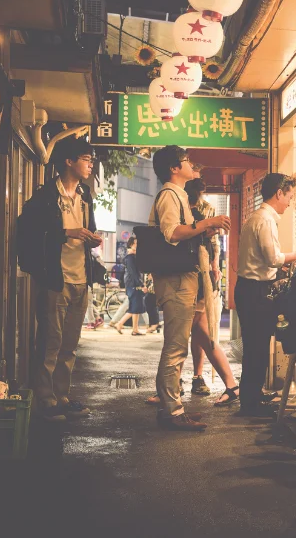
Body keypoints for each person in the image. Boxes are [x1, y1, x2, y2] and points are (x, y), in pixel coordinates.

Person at [20, 137, 102, 422]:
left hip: (82, 277)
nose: (91, 164)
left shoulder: (85, 194)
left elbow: (87, 229)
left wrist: (91, 238)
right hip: (56, 278)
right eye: (86, 159)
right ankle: (45, 400)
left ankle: (61, 397)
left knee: (70, 344)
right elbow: (29, 232)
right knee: (50, 343)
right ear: (68, 161)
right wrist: (68, 233)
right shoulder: (46, 196)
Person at [149, 146, 230, 431]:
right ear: (174, 168)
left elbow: (183, 233)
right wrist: (206, 222)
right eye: (186, 161)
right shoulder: (170, 195)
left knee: (177, 346)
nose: (191, 165)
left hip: (181, 277)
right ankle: (172, 411)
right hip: (176, 279)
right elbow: (172, 233)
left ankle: (172, 408)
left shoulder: (178, 194)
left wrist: (203, 230)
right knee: (175, 347)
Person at [235, 173, 296, 417]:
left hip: (250, 288)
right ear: (279, 193)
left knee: (257, 346)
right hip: (255, 291)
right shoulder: (265, 220)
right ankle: (250, 404)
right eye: (289, 196)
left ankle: (252, 397)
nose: (290, 202)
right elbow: (272, 258)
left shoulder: (260, 217)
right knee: (257, 347)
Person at [183, 178, 239, 405]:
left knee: (192, 332)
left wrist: (215, 265)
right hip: (191, 272)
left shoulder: (206, 209)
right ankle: (230, 384)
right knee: (200, 332)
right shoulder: (180, 203)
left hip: (199, 274)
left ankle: (177, 383)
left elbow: (213, 241)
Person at [111, 236, 146, 335]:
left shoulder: (132, 257)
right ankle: (120, 323)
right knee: (134, 308)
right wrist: (141, 285)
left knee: (136, 307)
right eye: (136, 244)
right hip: (133, 284)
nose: (138, 246)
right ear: (131, 245)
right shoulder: (130, 258)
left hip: (132, 284)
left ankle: (135, 329)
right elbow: (133, 273)